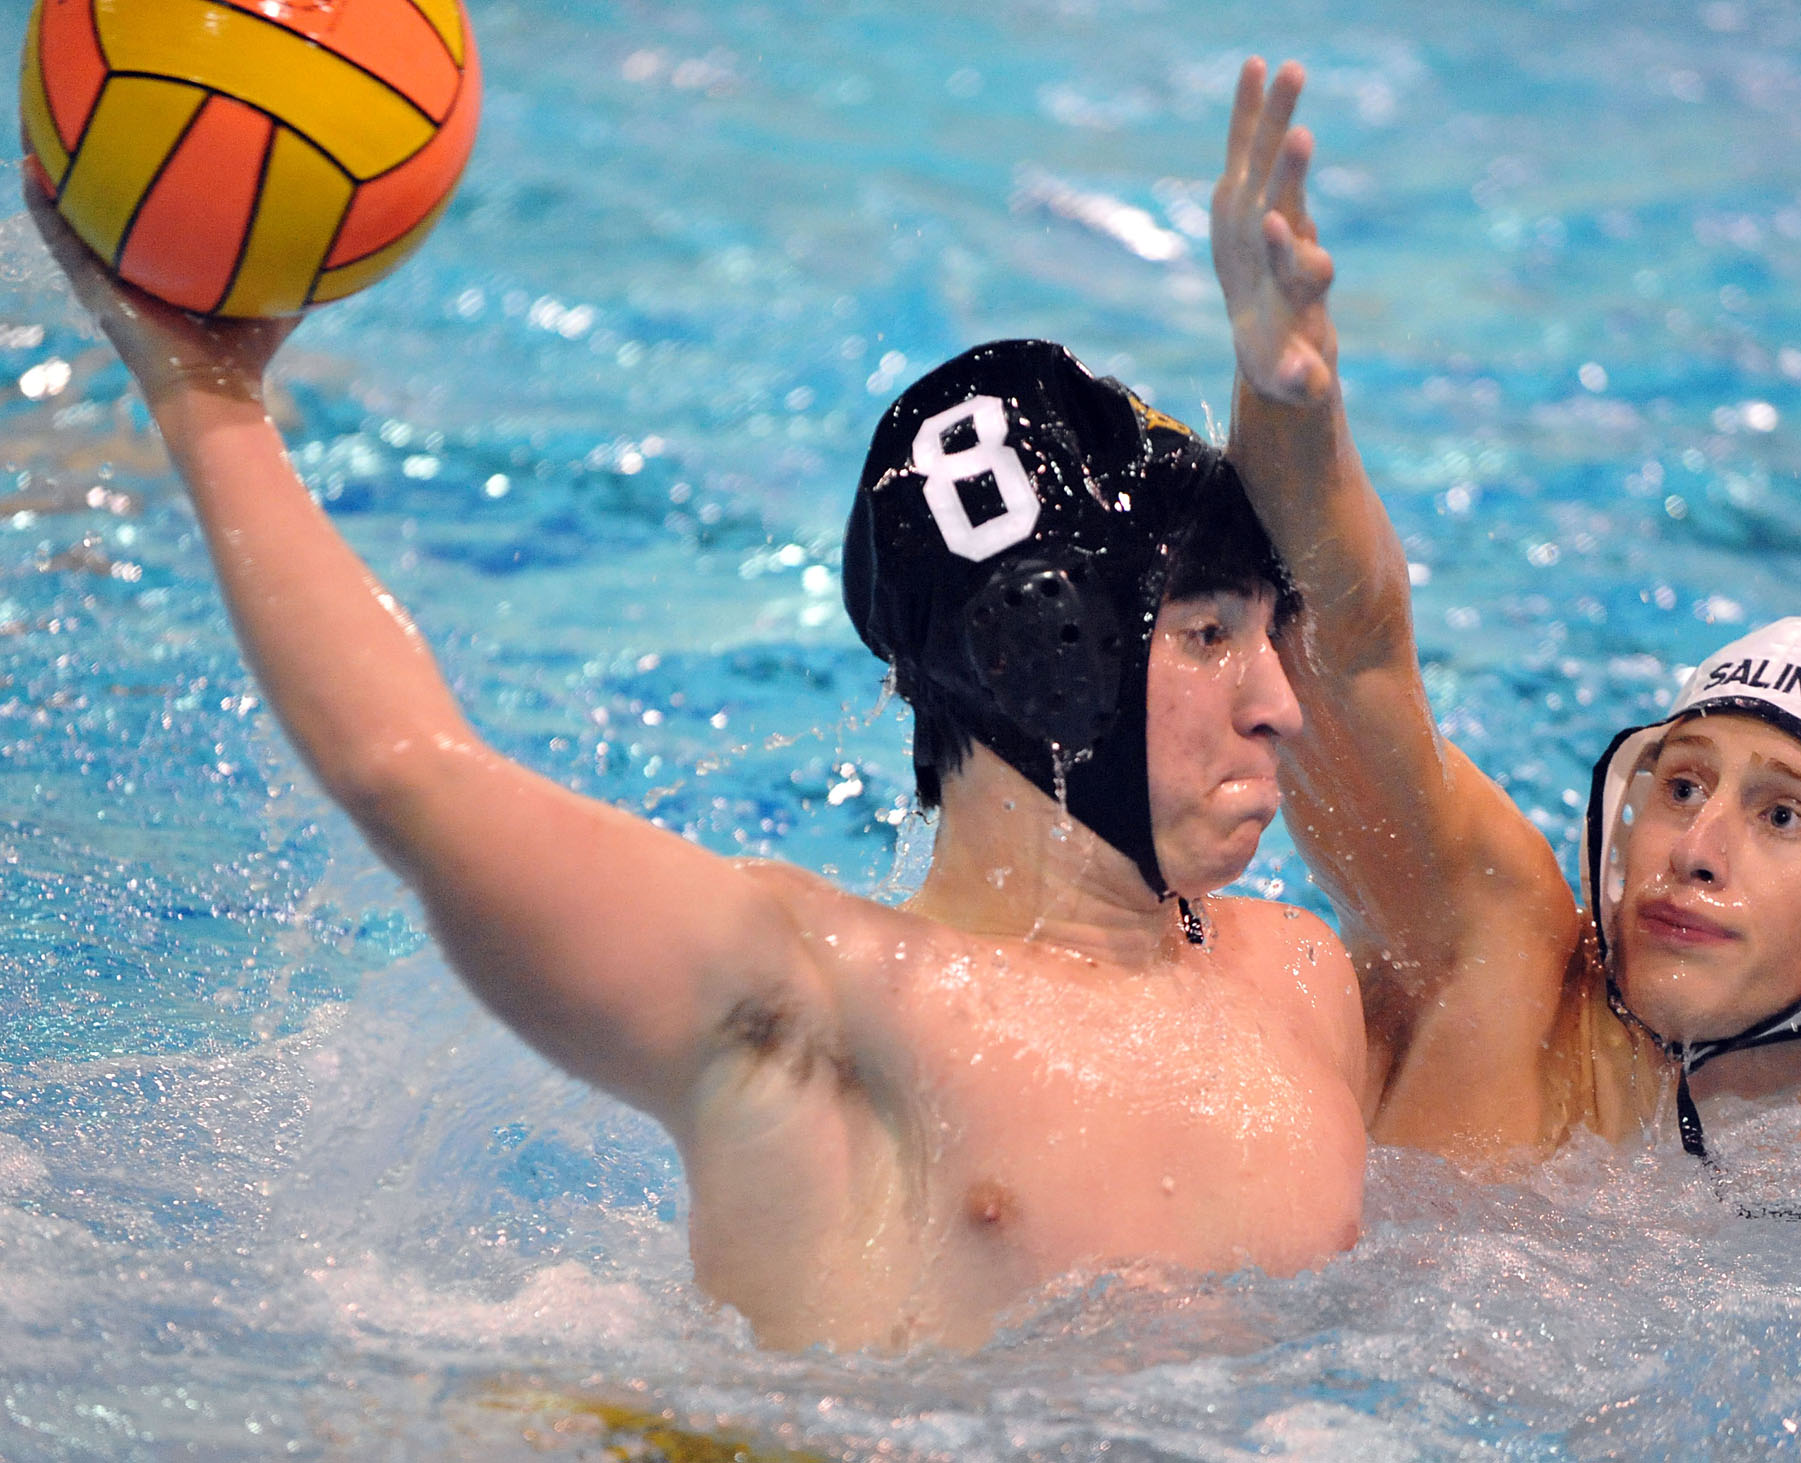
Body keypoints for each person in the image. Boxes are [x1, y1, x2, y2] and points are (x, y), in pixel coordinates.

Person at [22, 76, 1367, 1351]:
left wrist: (1292, 397)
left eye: (1269, 633)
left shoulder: (1303, 989)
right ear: (1040, 650)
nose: (1281, 707)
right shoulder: (818, 1011)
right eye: (1208, 636)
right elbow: (414, 778)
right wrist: (206, 400)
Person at [1210, 60, 1801, 1164]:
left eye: (1780, 815)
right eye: (1677, 783)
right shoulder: (1492, 949)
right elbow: (1345, 651)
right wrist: (1292, 402)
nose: (1694, 849)